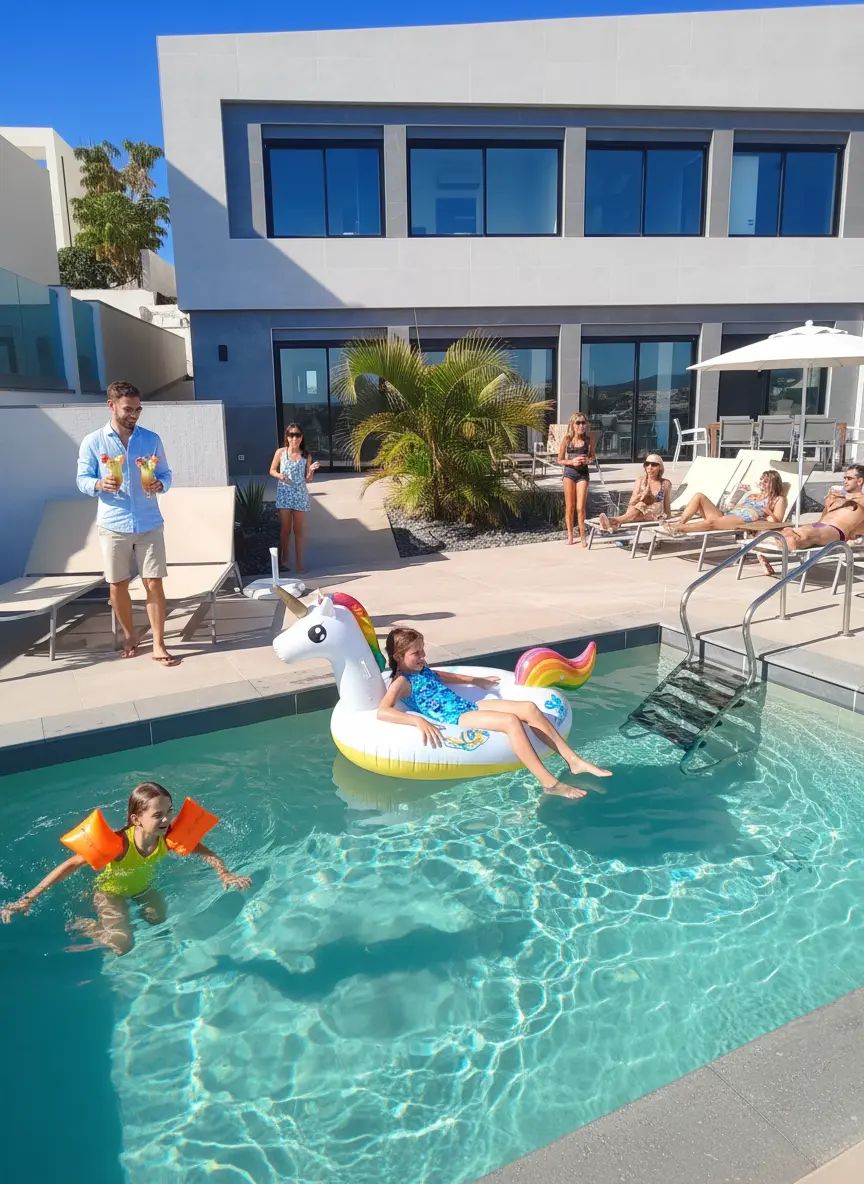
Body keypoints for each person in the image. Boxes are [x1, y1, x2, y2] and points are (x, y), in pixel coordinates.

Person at [1, 782, 250, 956]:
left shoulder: (168, 837)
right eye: (158, 815)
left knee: (159, 920)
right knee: (122, 945)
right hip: (110, 892)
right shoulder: (120, 844)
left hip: (143, 888)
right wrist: (28, 899)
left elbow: (203, 851)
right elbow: (68, 866)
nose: (166, 819)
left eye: (169, 812)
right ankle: (83, 924)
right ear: (136, 819)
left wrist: (224, 873)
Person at [379, 627, 612, 799]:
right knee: (511, 721)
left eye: (422, 651)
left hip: (466, 705)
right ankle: (548, 782)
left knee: (529, 708)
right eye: (416, 654)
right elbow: (384, 711)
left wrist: (474, 679)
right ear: (399, 657)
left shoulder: (423, 670)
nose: (423, 657)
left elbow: (442, 676)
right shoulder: (401, 681)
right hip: (455, 717)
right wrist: (417, 720)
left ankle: (574, 761)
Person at [76, 381, 178, 666]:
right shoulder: (94, 442)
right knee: (117, 585)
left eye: (138, 409)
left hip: (148, 521)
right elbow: (81, 480)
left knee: (154, 583)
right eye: (128, 409)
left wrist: (160, 483)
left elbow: (167, 473)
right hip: (113, 524)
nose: (134, 414)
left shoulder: (150, 439)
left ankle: (159, 642)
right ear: (111, 406)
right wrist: (98, 483)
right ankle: (129, 635)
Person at [757, 466, 864, 575]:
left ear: (860, 481)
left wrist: (850, 502)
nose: (845, 481)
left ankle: (771, 548)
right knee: (787, 532)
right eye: (844, 478)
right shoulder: (838, 500)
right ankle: (772, 548)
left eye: (849, 478)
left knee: (796, 538)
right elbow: (823, 518)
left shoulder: (861, 501)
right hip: (820, 525)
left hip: (836, 531)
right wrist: (827, 505)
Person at [657, 469, 786, 537]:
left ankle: (679, 528)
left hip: (745, 519)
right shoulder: (753, 495)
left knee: (711, 523)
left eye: (766, 481)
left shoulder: (778, 499)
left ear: (774, 483)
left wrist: (769, 513)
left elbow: (778, 522)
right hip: (730, 514)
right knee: (699, 496)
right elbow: (737, 506)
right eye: (761, 480)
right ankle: (681, 523)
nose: (761, 483)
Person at [269, 424, 320, 572]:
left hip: (300, 495)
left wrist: (310, 470)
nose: (294, 438)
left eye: (297, 435)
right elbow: (271, 470)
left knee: (298, 531)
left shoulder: (306, 456)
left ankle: (299, 564)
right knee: (285, 529)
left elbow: (308, 479)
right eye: (291, 435)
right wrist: (279, 475)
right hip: (284, 494)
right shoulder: (280, 453)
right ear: (287, 437)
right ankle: (284, 559)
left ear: (301, 437)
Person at [599, 454, 671, 533]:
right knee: (640, 505)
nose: (650, 467)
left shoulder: (665, 484)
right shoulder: (640, 481)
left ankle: (612, 521)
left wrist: (668, 520)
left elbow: (667, 508)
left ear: (660, 467)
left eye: (654, 464)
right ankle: (613, 522)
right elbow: (632, 503)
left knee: (641, 506)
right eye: (647, 464)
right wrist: (641, 497)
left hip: (653, 514)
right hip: (637, 512)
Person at [557, 413, 595, 547]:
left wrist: (587, 460)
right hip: (569, 474)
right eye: (578, 423)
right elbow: (559, 459)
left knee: (580, 507)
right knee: (570, 506)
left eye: (583, 423)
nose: (581, 425)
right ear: (573, 425)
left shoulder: (588, 440)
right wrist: (572, 462)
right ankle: (570, 536)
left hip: (583, 475)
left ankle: (583, 535)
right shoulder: (567, 440)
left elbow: (592, 458)